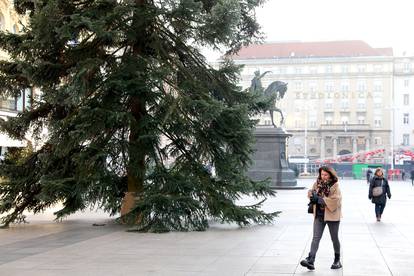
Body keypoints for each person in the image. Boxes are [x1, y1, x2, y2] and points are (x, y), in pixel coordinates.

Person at [300, 166, 342, 271]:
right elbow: (311, 192)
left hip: (332, 215)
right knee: (316, 238)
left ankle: (337, 260)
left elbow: (336, 200)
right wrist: (311, 194)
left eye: (326, 175)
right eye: (322, 174)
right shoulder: (317, 183)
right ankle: (311, 260)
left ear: (330, 175)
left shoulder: (335, 185)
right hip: (319, 214)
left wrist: (319, 199)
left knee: (334, 238)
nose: (323, 177)